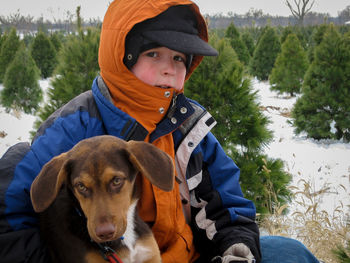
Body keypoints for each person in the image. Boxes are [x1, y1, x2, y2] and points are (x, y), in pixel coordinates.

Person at [0, 0, 320, 262]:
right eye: (154, 54)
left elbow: (228, 208)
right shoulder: (73, 130)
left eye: (179, 58)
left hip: (183, 256)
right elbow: (11, 220)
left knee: (292, 253)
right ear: (122, 58)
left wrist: (235, 249)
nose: (170, 67)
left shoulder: (187, 127)